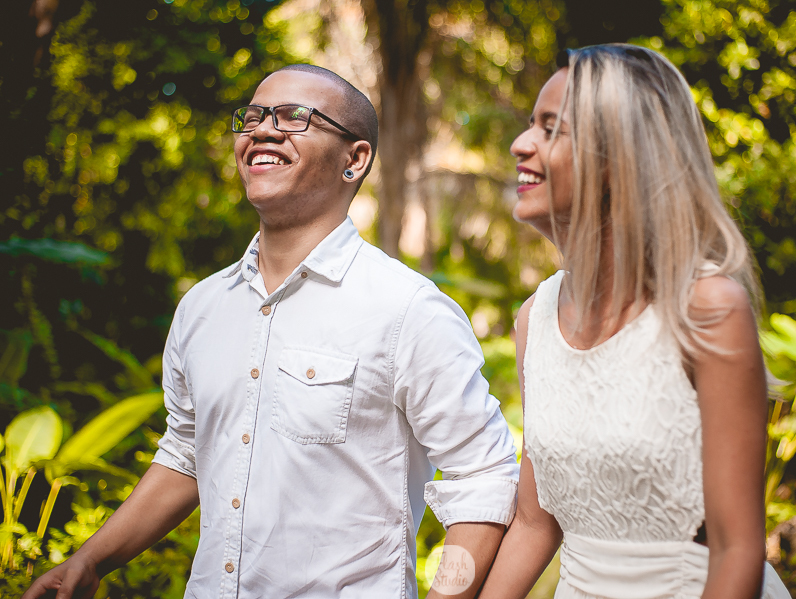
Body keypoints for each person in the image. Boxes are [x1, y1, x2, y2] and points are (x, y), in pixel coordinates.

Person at [24, 64, 518, 599]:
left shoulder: (408, 310)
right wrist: (90, 561)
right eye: (253, 116)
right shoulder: (202, 307)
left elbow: (484, 478)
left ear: (355, 159)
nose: (262, 129)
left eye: (294, 117)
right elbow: (187, 453)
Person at [479, 45, 792, 599]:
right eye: (532, 124)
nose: (521, 144)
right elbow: (534, 521)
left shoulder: (707, 309)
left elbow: (737, 549)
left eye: (552, 128)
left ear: (617, 157)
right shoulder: (535, 320)